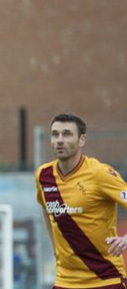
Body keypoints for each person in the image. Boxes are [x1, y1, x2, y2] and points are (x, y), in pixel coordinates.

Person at [36, 113, 127, 289]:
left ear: (82, 140)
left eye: (67, 134)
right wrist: (57, 249)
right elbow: (46, 209)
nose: (59, 140)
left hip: (106, 279)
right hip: (65, 282)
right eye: (55, 134)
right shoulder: (43, 175)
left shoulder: (100, 174)